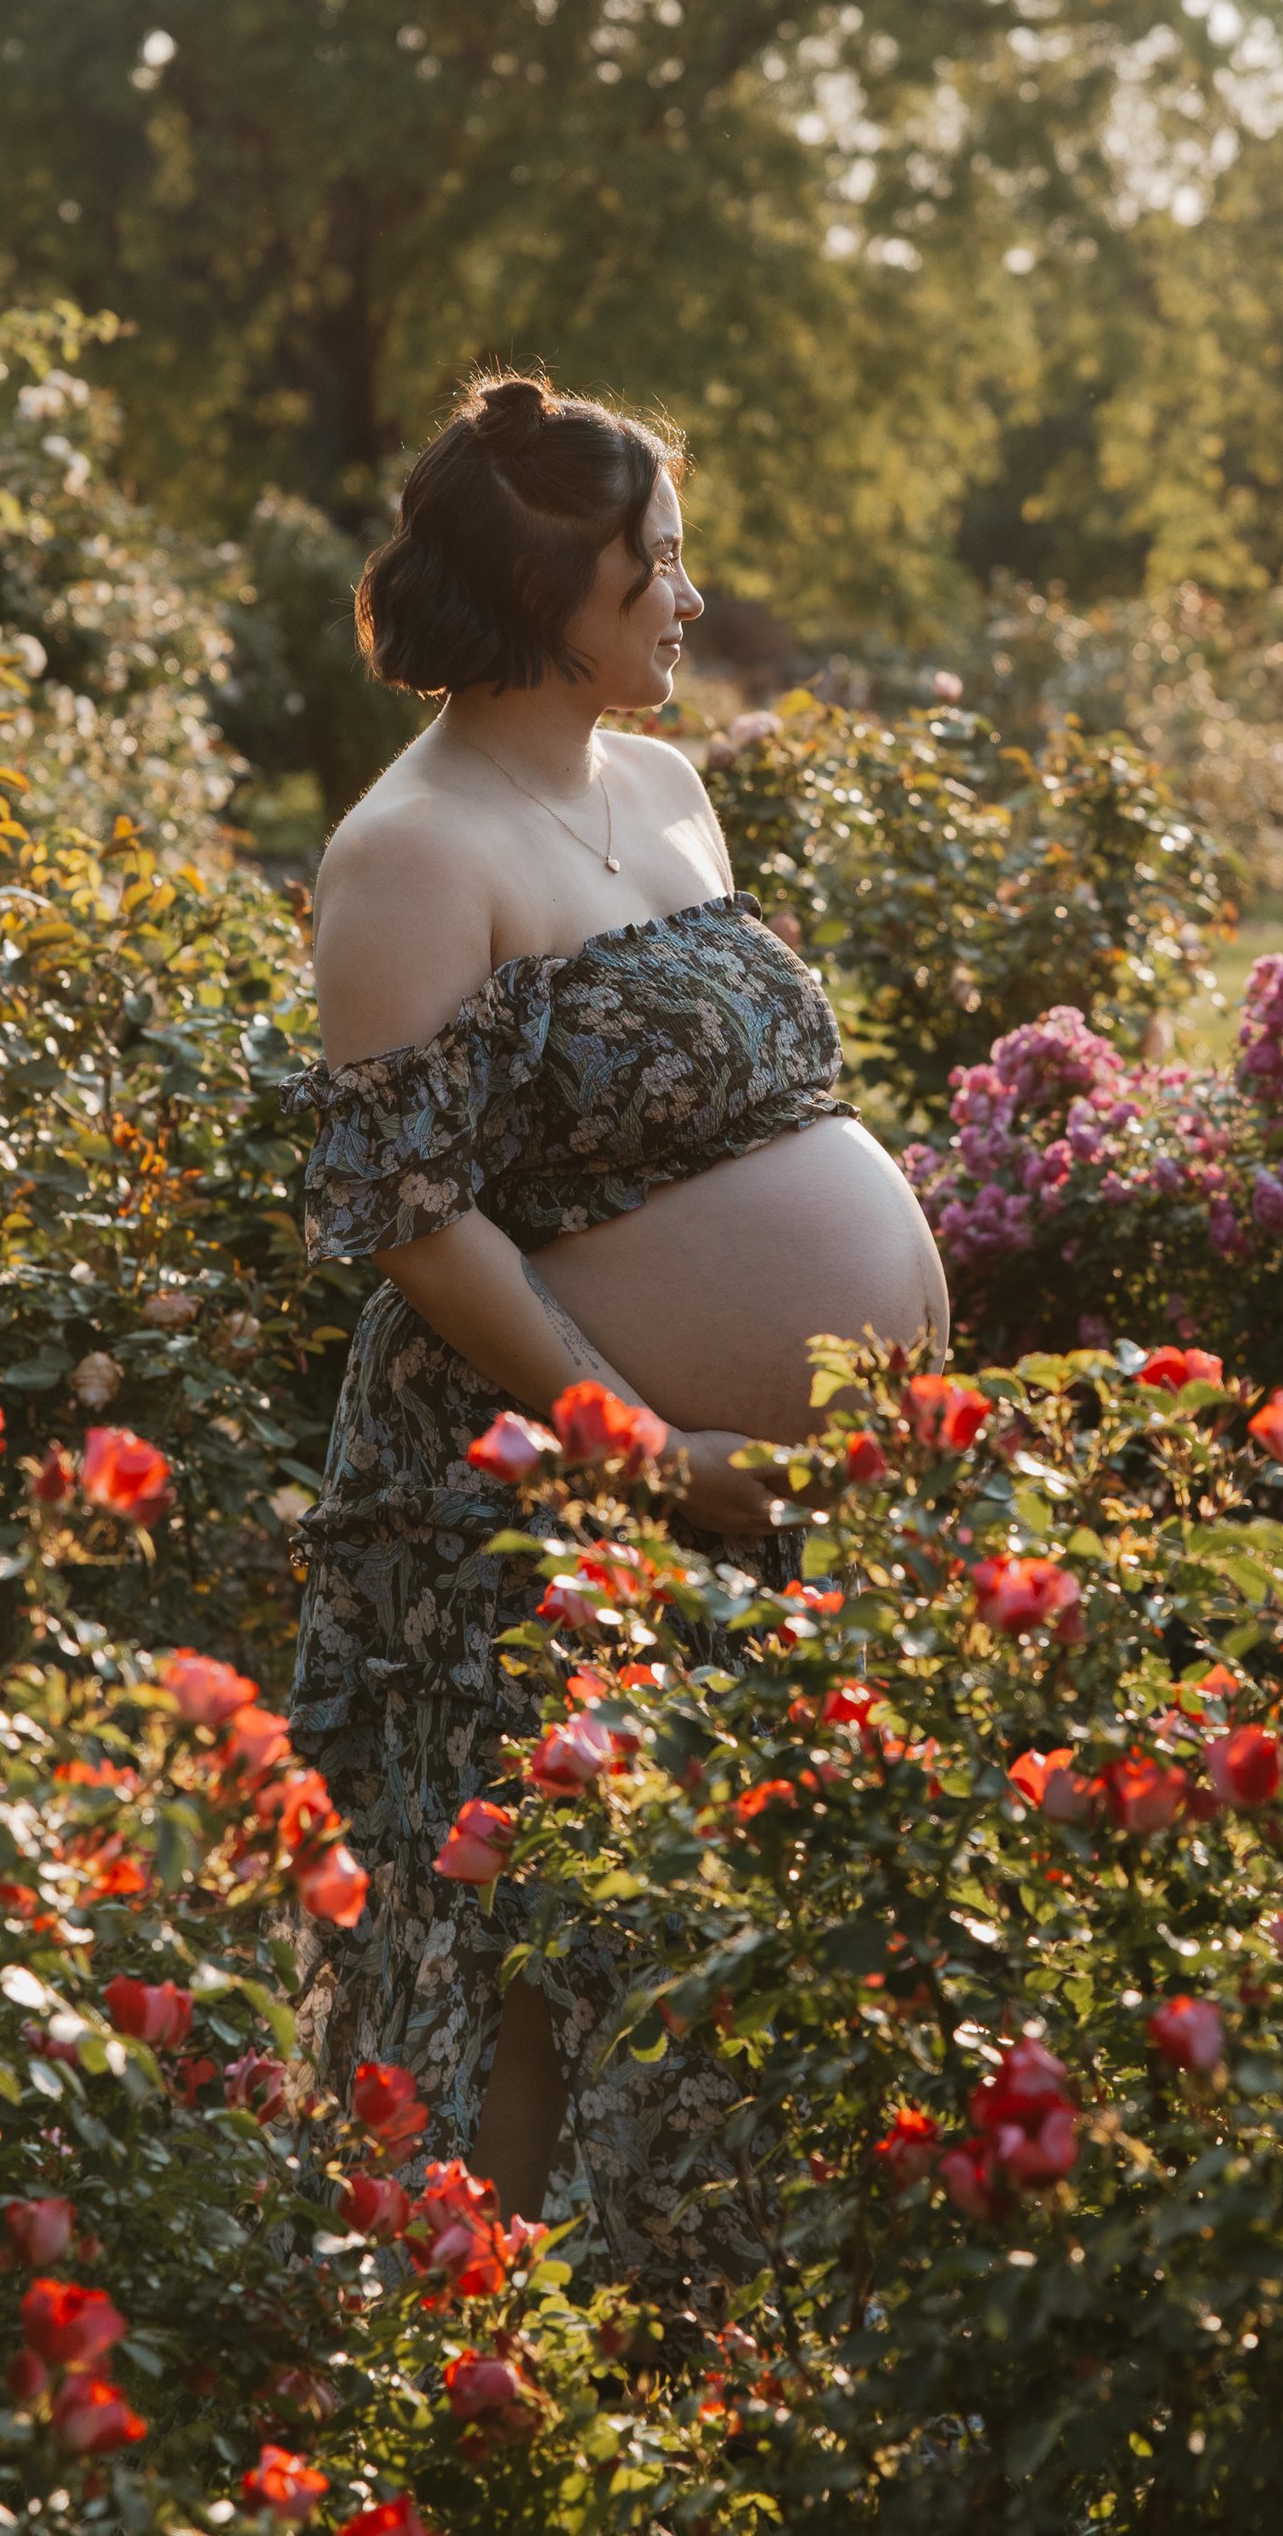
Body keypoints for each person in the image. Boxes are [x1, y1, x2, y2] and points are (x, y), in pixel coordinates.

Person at [287, 373, 947, 2270]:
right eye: (650, 561)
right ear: (542, 589)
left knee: (704, 1928)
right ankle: (469, 2382)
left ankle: (663, 2351)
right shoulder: (410, 851)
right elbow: (414, 1222)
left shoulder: (663, 787)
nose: (687, 594)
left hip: (756, 1507)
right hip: (529, 1503)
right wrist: (645, 1453)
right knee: (516, 1963)